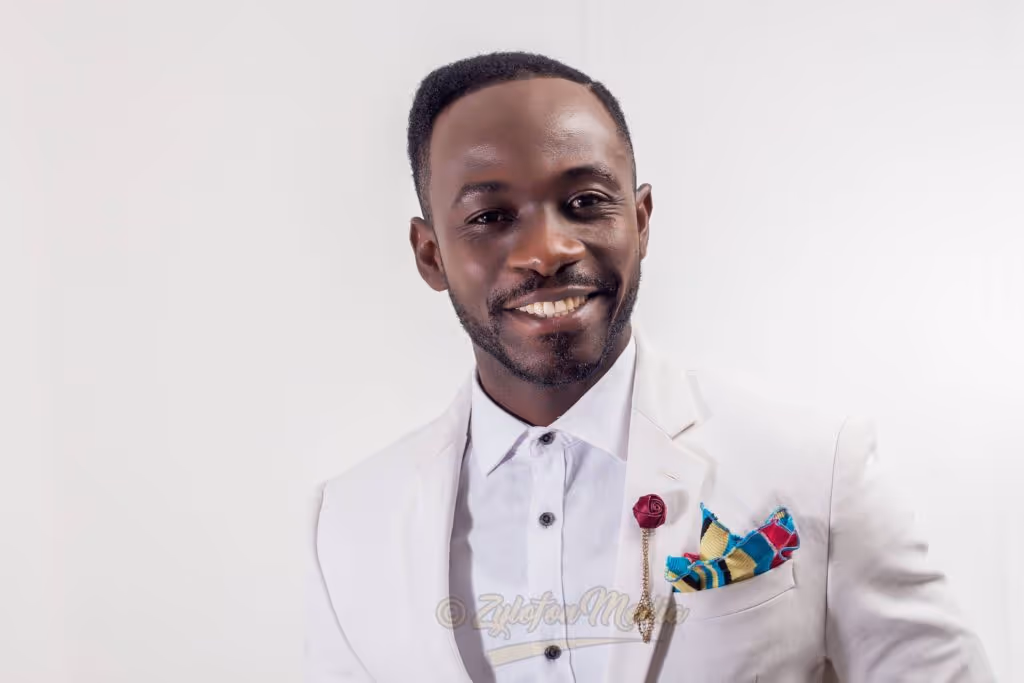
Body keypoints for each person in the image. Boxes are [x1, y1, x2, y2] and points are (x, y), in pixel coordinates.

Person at [305, 51, 992, 682]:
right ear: (430, 254)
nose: (547, 249)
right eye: (490, 215)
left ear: (641, 219)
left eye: (585, 203)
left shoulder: (817, 467)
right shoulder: (348, 521)